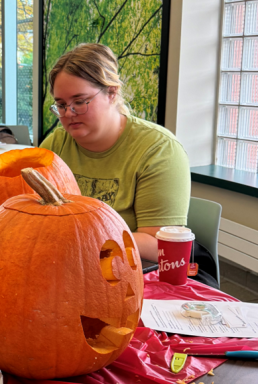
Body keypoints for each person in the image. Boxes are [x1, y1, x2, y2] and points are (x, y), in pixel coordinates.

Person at [40, 43, 192, 265]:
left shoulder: (158, 149)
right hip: (67, 263)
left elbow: (159, 244)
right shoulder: (56, 144)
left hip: (130, 271)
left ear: (112, 93)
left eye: (80, 102)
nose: (68, 113)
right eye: (61, 105)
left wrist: (82, 238)